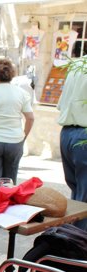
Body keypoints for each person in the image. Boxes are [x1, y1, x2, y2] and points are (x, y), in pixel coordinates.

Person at [57, 56, 87, 230]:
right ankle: (77, 247)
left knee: (78, 198)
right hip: (82, 134)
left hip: (68, 132)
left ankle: (71, 241)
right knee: (83, 202)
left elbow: (62, 104)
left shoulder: (77, 64)